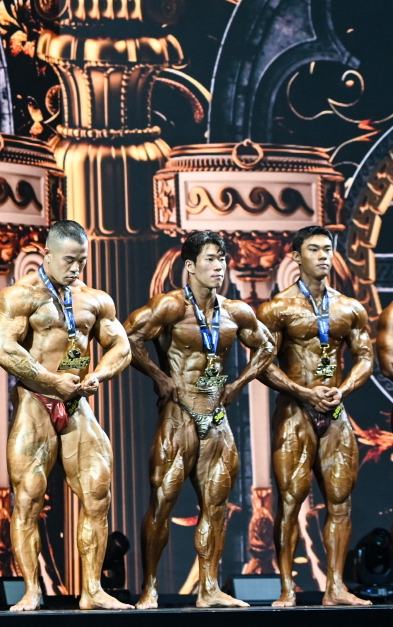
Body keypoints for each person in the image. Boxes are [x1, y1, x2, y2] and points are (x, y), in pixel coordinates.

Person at [123, 231, 276, 608]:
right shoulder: (170, 306)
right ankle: (150, 588)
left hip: (217, 418)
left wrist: (239, 383)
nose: (218, 266)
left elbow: (267, 346)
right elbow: (126, 337)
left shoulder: (236, 312)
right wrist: (159, 376)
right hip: (179, 415)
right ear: (190, 266)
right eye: (210, 259)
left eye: (222, 259)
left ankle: (209, 588)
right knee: (163, 501)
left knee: (216, 507)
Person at [0, 219, 133, 612]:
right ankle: (32, 591)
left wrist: (99, 374)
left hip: (76, 404)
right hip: (36, 401)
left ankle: (92, 590)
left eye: (81, 261)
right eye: (69, 260)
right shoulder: (20, 296)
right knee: (28, 499)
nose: (75, 268)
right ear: (47, 254)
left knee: (98, 493)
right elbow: (4, 349)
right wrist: (52, 380)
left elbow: (121, 346)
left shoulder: (95, 299)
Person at [257, 225, 373, 607]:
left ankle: (335, 586)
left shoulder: (349, 307)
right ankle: (287, 588)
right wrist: (304, 392)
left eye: (327, 249)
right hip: (295, 409)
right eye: (314, 249)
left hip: (335, 410)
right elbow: (263, 364)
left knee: (340, 501)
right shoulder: (277, 308)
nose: (323, 256)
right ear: (296, 256)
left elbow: (366, 358)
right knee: (291, 500)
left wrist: (344, 389)